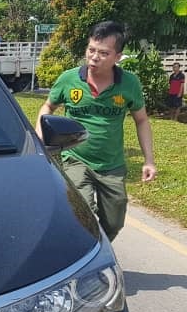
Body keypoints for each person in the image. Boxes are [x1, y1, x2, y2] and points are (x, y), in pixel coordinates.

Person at [36, 20, 157, 241]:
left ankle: (98, 247)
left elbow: (141, 120)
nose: (94, 57)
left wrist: (149, 160)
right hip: (75, 158)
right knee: (83, 216)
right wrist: (40, 137)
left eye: (103, 53)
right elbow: (48, 106)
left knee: (114, 222)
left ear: (117, 57)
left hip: (112, 164)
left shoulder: (129, 83)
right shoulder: (69, 79)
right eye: (91, 50)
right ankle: (86, 254)